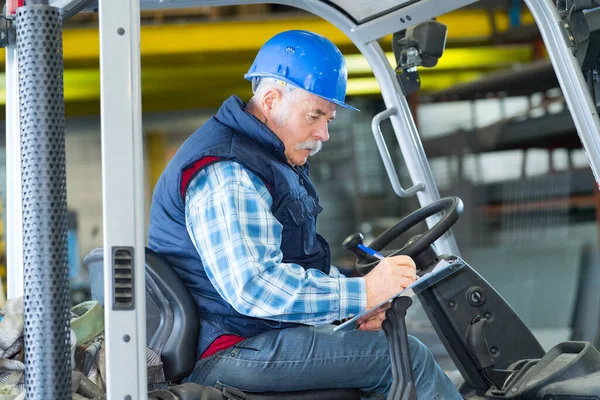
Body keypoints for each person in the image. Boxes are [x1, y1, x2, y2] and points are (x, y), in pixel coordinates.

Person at [148, 30, 461, 399]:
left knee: (386, 352)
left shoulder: (267, 160)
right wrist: (361, 292)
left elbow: (293, 262)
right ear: (270, 99)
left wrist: (353, 309)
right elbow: (254, 287)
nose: (324, 133)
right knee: (405, 359)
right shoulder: (228, 171)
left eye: (328, 119)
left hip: (254, 333)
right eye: (315, 116)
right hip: (227, 348)